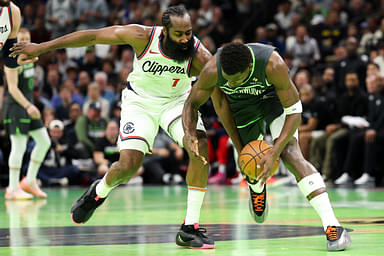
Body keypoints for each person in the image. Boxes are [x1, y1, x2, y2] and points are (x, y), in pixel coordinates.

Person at [10, 5, 214, 249]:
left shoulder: (200, 55)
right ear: (164, 32)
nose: (185, 39)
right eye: (179, 34)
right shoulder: (142, 36)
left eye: (188, 33)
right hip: (140, 103)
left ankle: (189, 228)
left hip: (178, 103)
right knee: (128, 166)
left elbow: (220, 90)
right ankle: (99, 190)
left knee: (200, 147)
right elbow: (92, 36)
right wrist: (41, 48)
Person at [182, 41, 351, 251]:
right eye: (228, 81)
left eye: (235, 81)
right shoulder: (213, 69)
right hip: (241, 108)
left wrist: (275, 151)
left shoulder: (272, 64)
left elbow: (294, 112)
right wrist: (230, 144)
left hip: (274, 102)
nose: (231, 84)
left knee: (291, 155)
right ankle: (256, 188)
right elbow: (196, 104)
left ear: (249, 69)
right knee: (248, 164)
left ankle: (333, 226)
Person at [1, 2, 50, 200]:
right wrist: (28, 105)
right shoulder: (12, 59)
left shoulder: (13, 12)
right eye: (22, 38)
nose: (24, 41)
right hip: (16, 105)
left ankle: (29, 181)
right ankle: (12, 188)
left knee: (44, 141)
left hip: (28, 106)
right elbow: (12, 88)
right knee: (18, 146)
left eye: (27, 39)